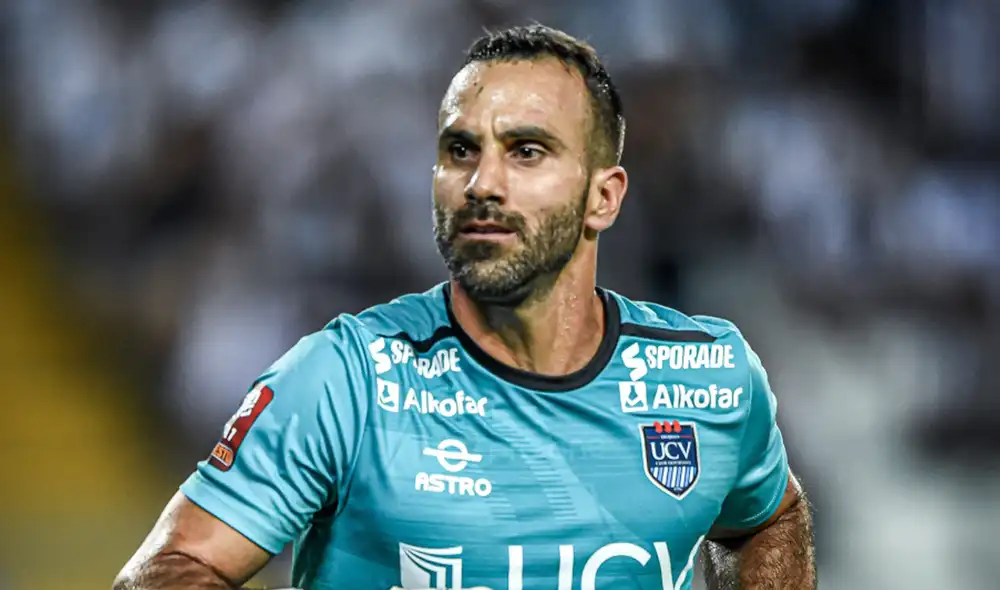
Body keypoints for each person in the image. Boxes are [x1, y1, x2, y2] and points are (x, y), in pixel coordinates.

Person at [113, 24, 816, 590]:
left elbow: (768, 518)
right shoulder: (346, 378)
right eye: (460, 150)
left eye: (527, 151)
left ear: (604, 196)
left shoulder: (708, 374)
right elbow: (174, 567)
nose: (482, 181)